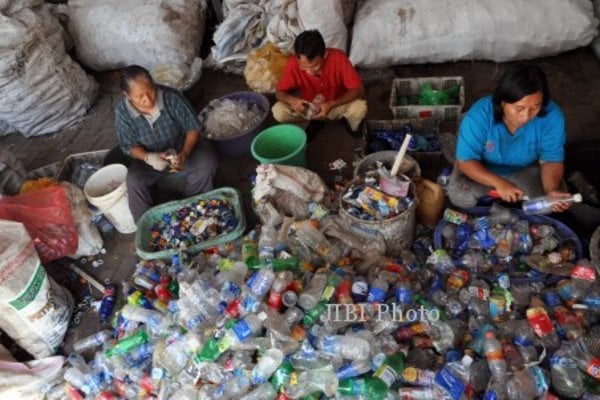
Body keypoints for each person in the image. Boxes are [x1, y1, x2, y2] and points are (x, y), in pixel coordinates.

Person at [448, 64, 572, 212]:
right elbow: (467, 161)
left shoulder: (552, 115)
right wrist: (499, 183)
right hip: (484, 169)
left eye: (535, 107)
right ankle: (501, 192)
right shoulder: (479, 116)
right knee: (459, 196)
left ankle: (512, 193)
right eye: (519, 108)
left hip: (524, 170)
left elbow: (551, 159)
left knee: (551, 203)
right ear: (503, 102)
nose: (526, 116)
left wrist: (552, 189)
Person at [115, 65, 217, 222]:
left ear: (154, 85)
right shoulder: (122, 112)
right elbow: (128, 145)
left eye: (150, 91)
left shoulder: (171, 97)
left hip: (181, 149)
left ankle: (194, 207)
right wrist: (149, 157)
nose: (148, 99)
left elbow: (193, 127)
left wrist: (185, 152)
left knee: (206, 163)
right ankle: (146, 225)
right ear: (127, 95)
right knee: (134, 180)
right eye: (139, 96)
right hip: (151, 160)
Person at [272, 30, 367, 139]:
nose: (309, 71)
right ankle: (312, 122)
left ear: (324, 54)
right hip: (308, 108)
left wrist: (331, 104)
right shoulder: (293, 63)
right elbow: (279, 93)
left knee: (359, 108)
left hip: (335, 105)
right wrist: (292, 101)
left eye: (314, 66)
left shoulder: (338, 57)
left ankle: (350, 124)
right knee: (279, 111)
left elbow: (359, 90)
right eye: (303, 67)